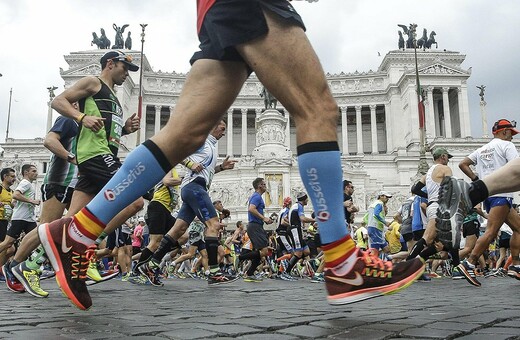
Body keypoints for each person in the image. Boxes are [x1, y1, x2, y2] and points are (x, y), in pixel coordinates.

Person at [39, 0, 424, 310]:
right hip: (248, 4)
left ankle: (77, 230)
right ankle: (342, 261)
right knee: (317, 110)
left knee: (183, 135)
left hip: (216, 10)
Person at [137, 120, 238, 286]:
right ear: (213, 127)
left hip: (194, 188)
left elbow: (205, 170)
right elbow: (177, 152)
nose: (224, 132)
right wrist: (191, 164)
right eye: (222, 128)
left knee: (179, 230)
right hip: (195, 187)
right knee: (213, 225)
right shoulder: (201, 141)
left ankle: (151, 264)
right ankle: (214, 272)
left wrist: (221, 167)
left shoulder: (211, 146)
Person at [11, 114, 79, 298]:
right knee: (46, 227)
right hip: (60, 180)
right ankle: (14, 268)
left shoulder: (83, 124)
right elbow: (49, 141)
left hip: (74, 184)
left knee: (75, 224)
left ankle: (74, 269)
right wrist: (71, 157)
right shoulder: (68, 119)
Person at [453, 119, 520, 286]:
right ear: (504, 132)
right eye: (511, 133)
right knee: (491, 232)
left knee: (518, 228)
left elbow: (463, 164)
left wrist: (477, 179)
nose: (512, 137)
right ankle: (469, 263)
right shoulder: (507, 146)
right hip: (503, 193)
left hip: (488, 194)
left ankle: (516, 265)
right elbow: (516, 167)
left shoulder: (482, 149)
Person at [1, 164, 40, 293]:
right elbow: (16, 195)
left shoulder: (26, 184)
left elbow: (14, 200)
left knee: (36, 241)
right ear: (26, 172)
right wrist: (32, 201)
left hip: (28, 219)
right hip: (19, 219)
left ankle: (26, 267)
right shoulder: (25, 183)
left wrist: (15, 205)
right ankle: (10, 267)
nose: (37, 173)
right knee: (8, 244)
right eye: (34, 171)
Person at [239, 177, 274, 282]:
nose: (265, 186)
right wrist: (264, 218)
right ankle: (241, 257)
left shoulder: (257, 197)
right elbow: (251, 209)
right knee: (263, 251)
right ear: (259, 186)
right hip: (255, 226)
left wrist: (266, 220)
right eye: (264, 184)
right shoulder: (256, 196)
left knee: (260, 253)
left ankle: (250, 274)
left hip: (257, 225)